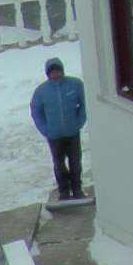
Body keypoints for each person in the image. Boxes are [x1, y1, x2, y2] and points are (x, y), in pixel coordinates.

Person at [29, 61, 86, 205]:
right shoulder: (41, 91)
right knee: (59, 164)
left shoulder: (75, 84)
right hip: (54, 135)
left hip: (72, 132)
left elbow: (85, 103)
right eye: (52, 72)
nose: (55, 74)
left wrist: (79, 122)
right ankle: (64, 191)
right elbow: (36, 111)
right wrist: (45, 129)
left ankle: (77, 189)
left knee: (75, 162)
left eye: (57, 71)